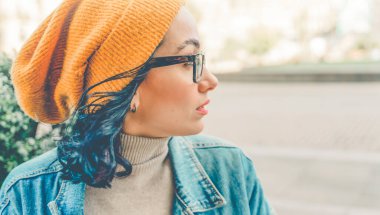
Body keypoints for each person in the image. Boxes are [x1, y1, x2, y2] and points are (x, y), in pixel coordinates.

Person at [0, 0, 275, 214]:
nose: (210, 81)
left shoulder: (229, 169)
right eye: (188, 60)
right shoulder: (29, 193)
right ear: (126, 84)